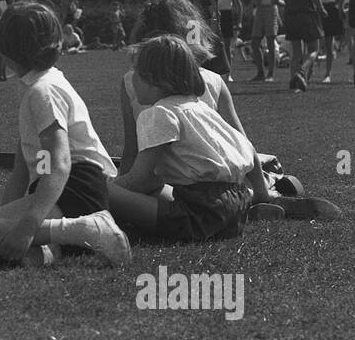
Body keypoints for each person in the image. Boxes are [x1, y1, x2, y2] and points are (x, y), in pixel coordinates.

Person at [0, 1, 130, 266]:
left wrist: (25, 226)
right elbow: (23, 165)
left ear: (7, 51)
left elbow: (59, 164)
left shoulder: (42, 92)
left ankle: (87, 229)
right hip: (61, 190)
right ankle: (49, 248)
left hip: (75, 192)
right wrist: (4, 216)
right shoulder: (38, 86)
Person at [108, 35, 283, 242]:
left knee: (102, 190)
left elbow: (139, 179)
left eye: (136, 72)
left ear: (154, 80)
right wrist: (261, 192)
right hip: (236, 201)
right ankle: (249, 208)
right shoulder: (200, 108)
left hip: (198, 212)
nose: (131, 77)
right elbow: (248, 149)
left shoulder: (158, 113)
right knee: (152, 186)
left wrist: (110, 187)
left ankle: (96, 221)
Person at [275, 0, 324, 92]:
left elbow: (274, 0)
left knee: (296, 52)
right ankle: (301, 72)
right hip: (307, 15)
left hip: (291, 16)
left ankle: (294, 82)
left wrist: (287, 4)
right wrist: (322, 10)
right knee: (314, 49)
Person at [310, 0, 344, 83]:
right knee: (314, 42)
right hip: (317, 9)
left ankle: (328, 74)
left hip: (330, 9)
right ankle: (311, 68)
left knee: (329, 44)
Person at [249, 0, 279, 82]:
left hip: (270, 10)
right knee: (255, 42)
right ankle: (260, 72)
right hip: (260, 11)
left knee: (271, 42)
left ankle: (271, 73)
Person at [214, 0, 240, 78]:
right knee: (216, 45)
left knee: (227, 46)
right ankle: (217, 72)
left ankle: (228, 73)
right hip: (217, 17)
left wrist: (239, 21)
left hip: (227, 17)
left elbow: (238, 6)